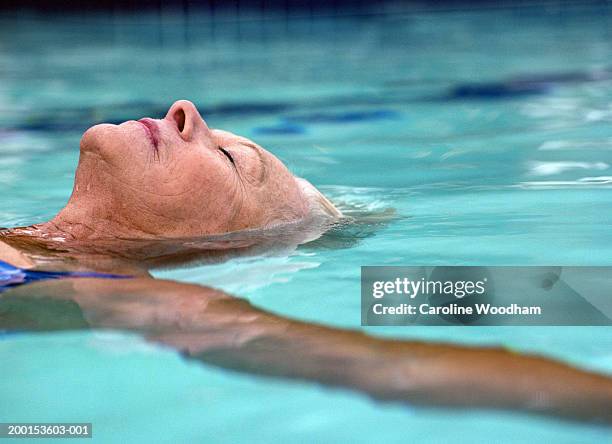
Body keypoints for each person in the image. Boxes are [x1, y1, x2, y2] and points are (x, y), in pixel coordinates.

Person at [1, 100, 612, 423]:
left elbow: (381, 367)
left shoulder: (111, 292)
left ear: (231, 242)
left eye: (233, 162)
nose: (184, 111)